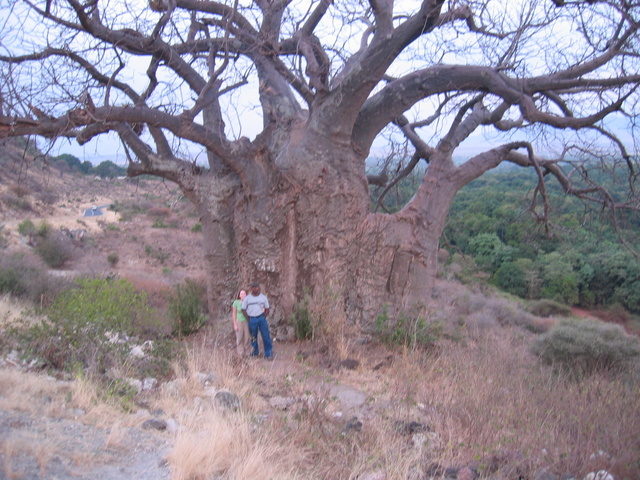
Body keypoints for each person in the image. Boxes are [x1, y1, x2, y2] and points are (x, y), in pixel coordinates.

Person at [241, 282, 273, 359]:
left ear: (259, 288)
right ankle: (255, 352)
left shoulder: (263, 297)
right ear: (251, 288)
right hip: (252, 319)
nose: (254, 288)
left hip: (261, 318)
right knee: (253, 337)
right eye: (253, 287)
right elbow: (243, 309)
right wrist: (248, 319)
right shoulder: (247, 298)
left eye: (256, 287)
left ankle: (268, 353)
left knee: (266, 336)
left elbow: (267, 309)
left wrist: (263, 317)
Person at [231, 289, 250, 356]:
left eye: (244, 294)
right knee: (239, 337)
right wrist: (235, 324)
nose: (242, 295)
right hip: (239, 321)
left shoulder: (248, 302)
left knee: (247, 337)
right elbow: (234, 314)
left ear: (246, 295)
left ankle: (247, 352)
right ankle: (241, 352)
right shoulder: (236, 302)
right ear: (239, 295)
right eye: (241, 294)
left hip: (246, 321)